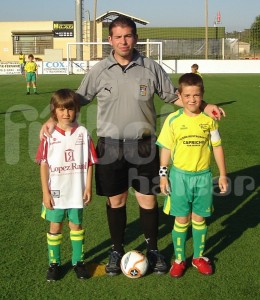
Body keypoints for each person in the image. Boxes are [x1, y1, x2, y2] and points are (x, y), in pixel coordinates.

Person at [39, 16, 224, 276]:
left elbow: (175, 96)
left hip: (144, 145)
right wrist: (51, 119)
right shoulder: (99, 70)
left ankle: (153, 248)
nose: (123, 41)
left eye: (128, 36)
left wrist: (206, 105)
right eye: (118, 36)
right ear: (110, 40)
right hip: (110, 146)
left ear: (135, 38)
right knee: (117, 200)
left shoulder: (150, 67)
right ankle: (117, 249)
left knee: (147, 199)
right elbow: (77, 99)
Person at [157, 73, 228, 278]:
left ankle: (198, 257)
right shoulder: (173, 120)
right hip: (179, 177)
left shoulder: (210, 120)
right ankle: (179, 260)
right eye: (187, 95)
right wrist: (163, 175)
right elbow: (166, 150)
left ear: (202, 95)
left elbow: (217, 147)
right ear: (179, 95)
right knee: (181, 219)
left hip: (203, 177)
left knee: (199, 219)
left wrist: (223, 175)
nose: (192, 100)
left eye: (196, 95)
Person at [35, 89, 98, 281]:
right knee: (56, 226)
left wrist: (88, 187)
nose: (66, 113)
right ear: (54, 111)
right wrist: (45, 193)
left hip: (76, 191)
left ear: (76, 109)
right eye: (61, 109)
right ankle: (54, 264)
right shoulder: (49, 135)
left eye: (69, 109)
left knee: (76, 226)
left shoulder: (83, 133)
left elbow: (88, 163)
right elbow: (44, 164)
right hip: (56, 192)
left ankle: (78, 262)